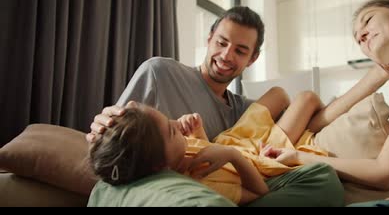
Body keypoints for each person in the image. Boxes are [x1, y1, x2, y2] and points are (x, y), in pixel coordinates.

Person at [86, 6, 344, 207]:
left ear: (252, 59)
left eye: (241, 51)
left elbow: (298, 114)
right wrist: (104, 123)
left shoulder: (241, 109)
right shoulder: (160, 72)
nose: (227, 55)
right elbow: (114, 136)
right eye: (221, 43)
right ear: (209, 39)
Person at [261, 0, 389, 207]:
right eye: (358, 40)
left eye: (368, 20)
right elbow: (384, 171)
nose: (361, 35)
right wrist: (298, 156)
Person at [89, 88, 339, 206]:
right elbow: (260, 193)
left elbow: (205, 147)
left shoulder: (180, 151)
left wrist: (196, 132)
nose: (177, 124)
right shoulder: (200, 180)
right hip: (254, 168)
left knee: (305, 104)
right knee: (323, 177)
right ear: (160, 165)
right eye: (171, 129)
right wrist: (232, 155)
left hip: (247, 149)